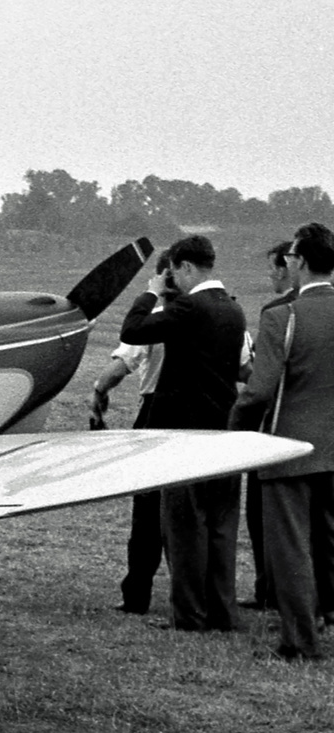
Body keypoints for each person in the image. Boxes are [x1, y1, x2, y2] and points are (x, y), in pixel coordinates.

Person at [120, 234, 247, 631]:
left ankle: (189, 614)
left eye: (174, 270)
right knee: (221, 527)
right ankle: (222, 610)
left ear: (186, 267)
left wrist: (150, 291)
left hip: (185, 431)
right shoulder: (234, 309)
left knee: (186, 527)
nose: (172, 277)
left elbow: (133, 330)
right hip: (223, 427)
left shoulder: (191, 307)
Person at [231, 228, 334, 660]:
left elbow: (259, 391)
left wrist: (236, 430)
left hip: (289, 448)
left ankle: (299, 640)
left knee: (292, 549)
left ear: (299, 261)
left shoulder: (283, 316)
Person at [93, 252, 173, 614]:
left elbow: (118, 367)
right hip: (203, 415)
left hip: (155, 411)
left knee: (147, 513)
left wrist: (98, 394)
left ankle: (137, 594)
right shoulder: (214, 314)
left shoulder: (155, 320)